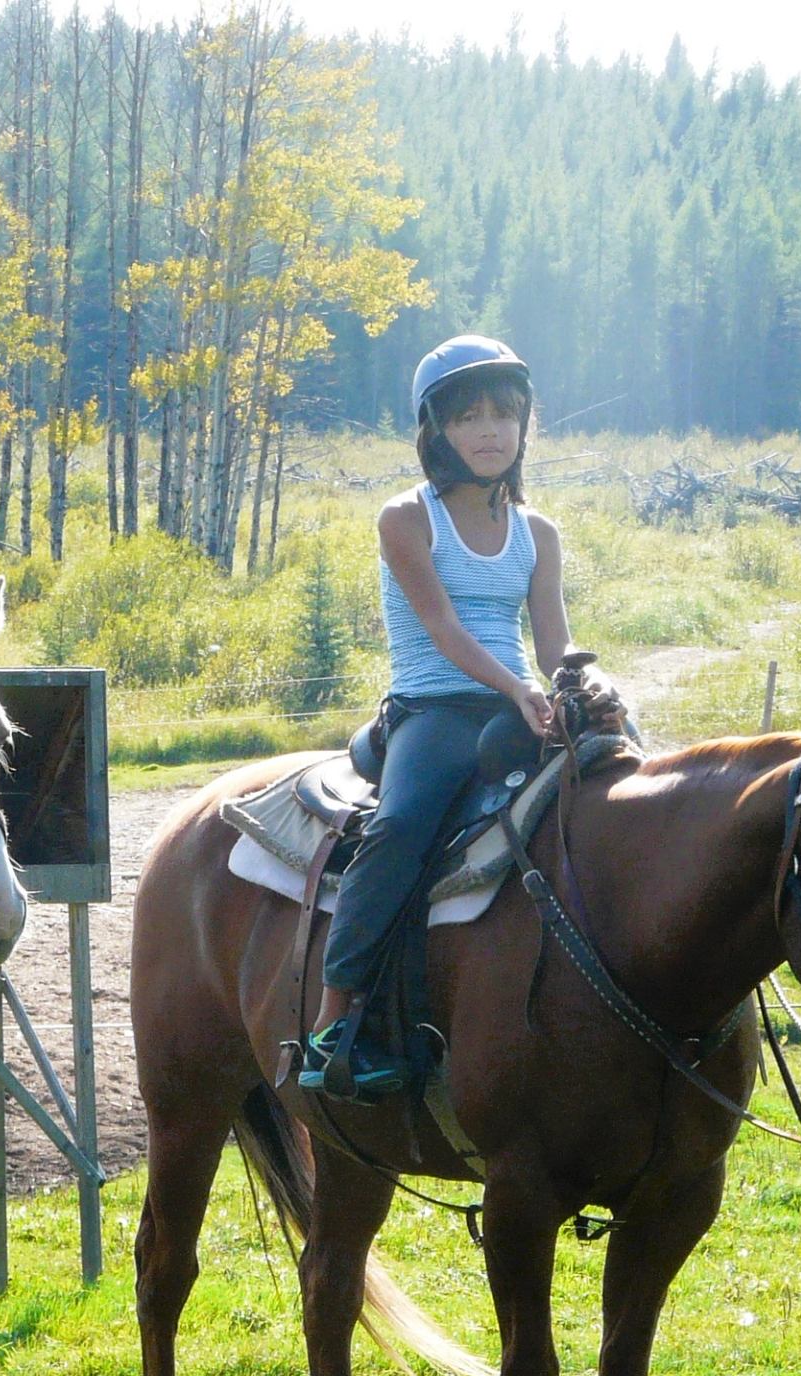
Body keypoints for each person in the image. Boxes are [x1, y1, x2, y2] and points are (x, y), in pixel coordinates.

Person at [298, 335, 588, 1100]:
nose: (490, 431)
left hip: (517, 703)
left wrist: (577, 688)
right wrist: (518, 687)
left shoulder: (540, 533)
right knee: (399, 827)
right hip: (432, 708)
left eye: (504, 414)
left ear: (525, 424)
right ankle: (334, 1024)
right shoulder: (406, 519)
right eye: (469, 417)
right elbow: (444, 632)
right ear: (437, 431)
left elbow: (554, 642)